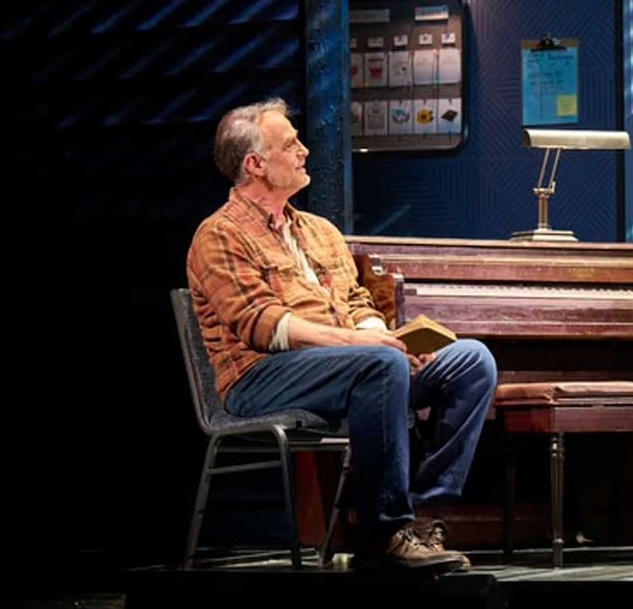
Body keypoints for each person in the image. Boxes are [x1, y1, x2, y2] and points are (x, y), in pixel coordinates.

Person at [187, 98, 497, 573]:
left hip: (349, 368)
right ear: (255, 165)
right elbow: (263, 324)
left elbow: (356, 302)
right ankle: (381, 534)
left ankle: (423, 512)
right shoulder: (219, 235)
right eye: (290, 145)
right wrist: (365, 346)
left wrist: (385, 337)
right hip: (259, 377)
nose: (305, 151)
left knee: (471, 360)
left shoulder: (319, 231)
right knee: (379, 363)